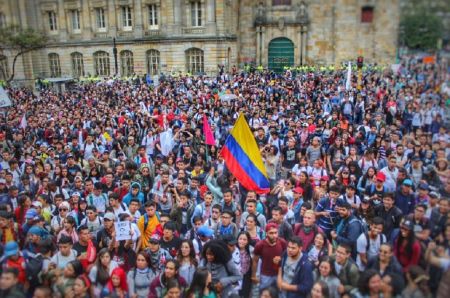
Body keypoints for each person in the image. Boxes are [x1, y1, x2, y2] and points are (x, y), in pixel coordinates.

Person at [252, 222, 287, 290]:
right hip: (265, 275)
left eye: (275, 233)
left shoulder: (282, 242)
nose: (274, 235)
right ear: (266, 233)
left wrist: (281, 258)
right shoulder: (260, 245)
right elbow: (255, 261)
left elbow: (287, 256)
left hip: (279, 275)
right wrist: (253, 275)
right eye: (271, 233)